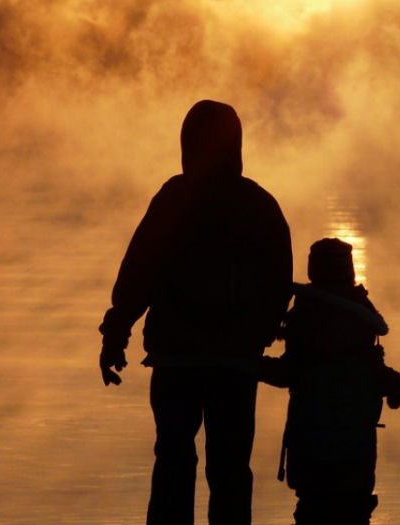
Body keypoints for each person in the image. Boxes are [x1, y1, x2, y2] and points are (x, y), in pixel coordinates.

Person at [98, 100, 293, 525]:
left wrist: (116, 333)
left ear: (188, 144)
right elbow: (280, 283)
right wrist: (257, 334)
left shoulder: (174, 197)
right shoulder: (261, 205)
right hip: (236, 366)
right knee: (230, 472)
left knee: (173, 461)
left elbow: (139, 272)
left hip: (177, 361)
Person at [260, 238, 400, 525]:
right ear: (349, 271)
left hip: (310, 455)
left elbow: (287, 372)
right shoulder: (362, 317)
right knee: (354, 513)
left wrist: (250, 366)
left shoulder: (303, 315)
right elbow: (381, 374)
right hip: (356, 458)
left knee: (312, 513)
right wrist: (394, 387)